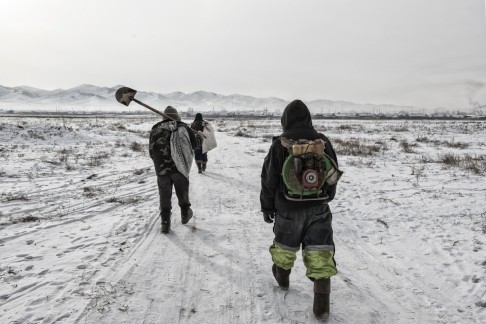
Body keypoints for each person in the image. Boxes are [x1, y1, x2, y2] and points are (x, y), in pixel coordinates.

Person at [260, 99, 339, 319]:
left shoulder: (280, 144)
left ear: (285, 120)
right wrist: (326, 198)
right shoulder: (322, 143)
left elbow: (269, 179)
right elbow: (333, 174)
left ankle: (282, 279)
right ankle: (321, 307)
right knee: (320, 253)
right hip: (318, 209)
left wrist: (267, 206)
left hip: (287, 209)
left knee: (284, 249)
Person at [149, 106, 202, 234]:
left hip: (161, 169)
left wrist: (159, 163)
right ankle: (185, 214)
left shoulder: (155, 129)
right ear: (177, 116)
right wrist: (199, 136)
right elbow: (195, 145)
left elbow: (151, 150)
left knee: (164, 195)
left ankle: (165, 223)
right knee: (182, 191)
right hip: (180, 168)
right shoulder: (183, 127)